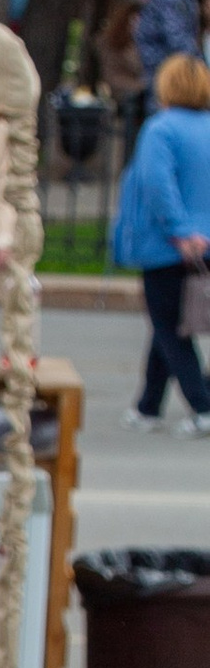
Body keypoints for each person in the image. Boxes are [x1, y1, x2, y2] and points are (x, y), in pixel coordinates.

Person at [108, 50, 210, 434]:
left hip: (170, 244)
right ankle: (148, 407)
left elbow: (157, 184)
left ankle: (202, 406)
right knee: (166, 326)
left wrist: (179, 230)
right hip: (206, 242)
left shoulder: (161, 129)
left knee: (169, 327)